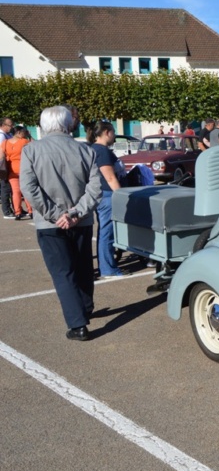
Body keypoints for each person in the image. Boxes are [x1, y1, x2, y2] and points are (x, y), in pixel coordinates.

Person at [20, 106, 102, 341]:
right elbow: (95, 188)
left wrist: (56, 214)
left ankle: (78, 324)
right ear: (68, 124)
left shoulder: (32, 150)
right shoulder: (85, 150)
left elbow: (29, 188)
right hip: (81, 220)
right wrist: (75, 212)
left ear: (43, 125)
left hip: (50, 223)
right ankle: (85, 308)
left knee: (63, 272)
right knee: (84, 266)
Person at [89, 121, 127, 279]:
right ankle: (108, 268)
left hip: (102, 194)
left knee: (105, 231)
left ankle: (107, 265)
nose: (114, 135)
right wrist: (122, 197)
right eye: (112, 131)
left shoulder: (94, 148)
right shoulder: (102, 151)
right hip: (107, 195)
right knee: (107, 232)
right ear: (106, 132)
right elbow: (110, 177)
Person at [4, 126, 33, 219]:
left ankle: (17, 212)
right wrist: (30, 136)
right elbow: (35, 146)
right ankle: (31, 210)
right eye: (24, 132)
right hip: (24, 169)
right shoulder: (24, 141)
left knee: (15, 192)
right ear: (19, 133)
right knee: (26, 191)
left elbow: (1, 156)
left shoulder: (5, 143)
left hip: (11, 170)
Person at [0, 117, 15, 218]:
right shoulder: (1, 136)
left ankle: (16, 208)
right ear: (3, 125)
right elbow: (1, 153)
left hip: (9, 164)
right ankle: (6, 211)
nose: (12, 127)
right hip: (4, 165)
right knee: (5, 188)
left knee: (12, 188)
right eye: (10, 125)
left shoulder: (8, 134)